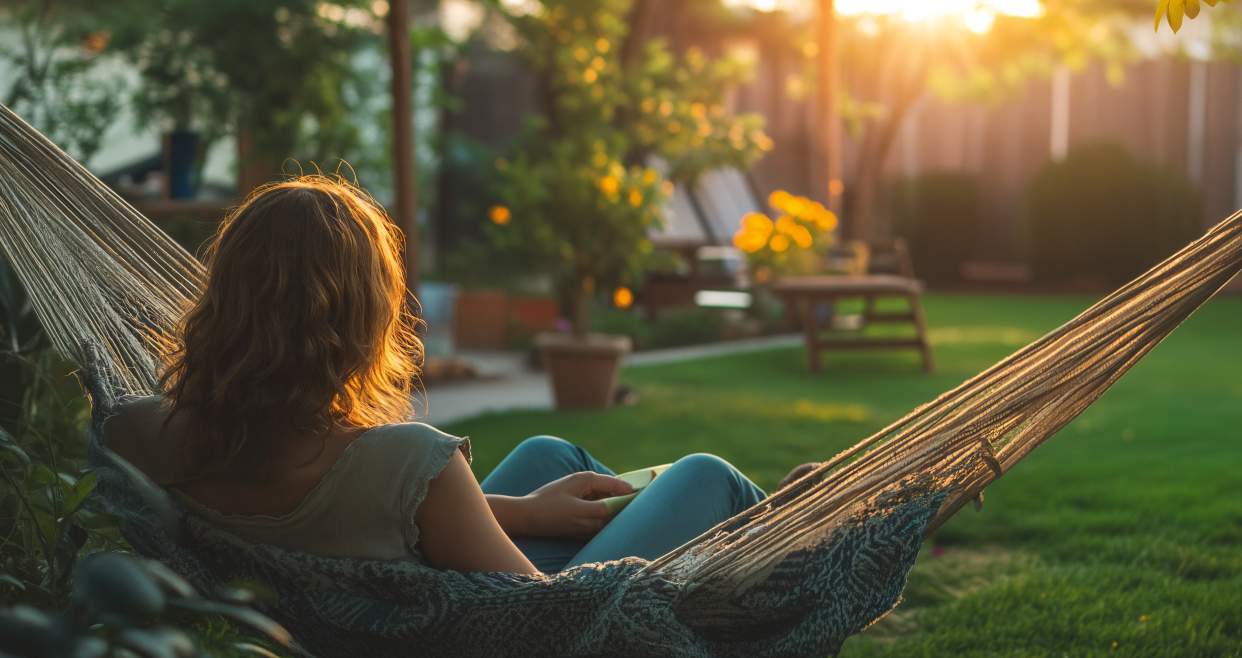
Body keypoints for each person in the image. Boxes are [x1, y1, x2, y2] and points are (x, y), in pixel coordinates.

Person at [104, 175, 766, 574]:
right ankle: (804, 535)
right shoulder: (407, 462)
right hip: (519, 643)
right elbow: (545, 616)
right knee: (705, 477)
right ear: (365, 317)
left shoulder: (137, 434)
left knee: (548, 454)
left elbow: (369, 510)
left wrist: (528, 512)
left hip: (388, 580)